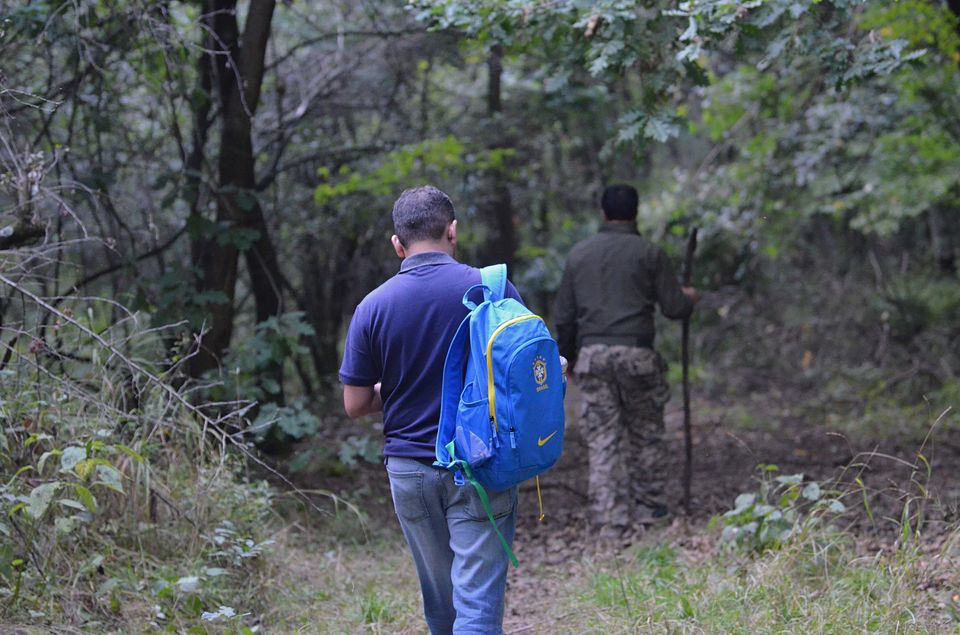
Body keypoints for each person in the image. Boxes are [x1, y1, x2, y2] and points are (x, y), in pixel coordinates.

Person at [339, 185, 524, 635]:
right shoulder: (492, 289)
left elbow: (355, 403)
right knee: (477, 603)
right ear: (453, 231)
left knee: (441, 604)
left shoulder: (373, 306)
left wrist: (398, 387)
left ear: (397, 245)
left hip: (410, 470)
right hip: (481, 463)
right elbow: (521, 375)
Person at [554, 184, 699, 541]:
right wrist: (689, 297)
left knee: (603, 440)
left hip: (593, 359)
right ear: (635, 213)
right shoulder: (649, 253)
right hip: (638, 356)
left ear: (603, 213)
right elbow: (675, 308)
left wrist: (569, 358)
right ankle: (650, 517)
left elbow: (564, 316)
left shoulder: (579, 255)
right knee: (645, 437)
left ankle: (610, 523)